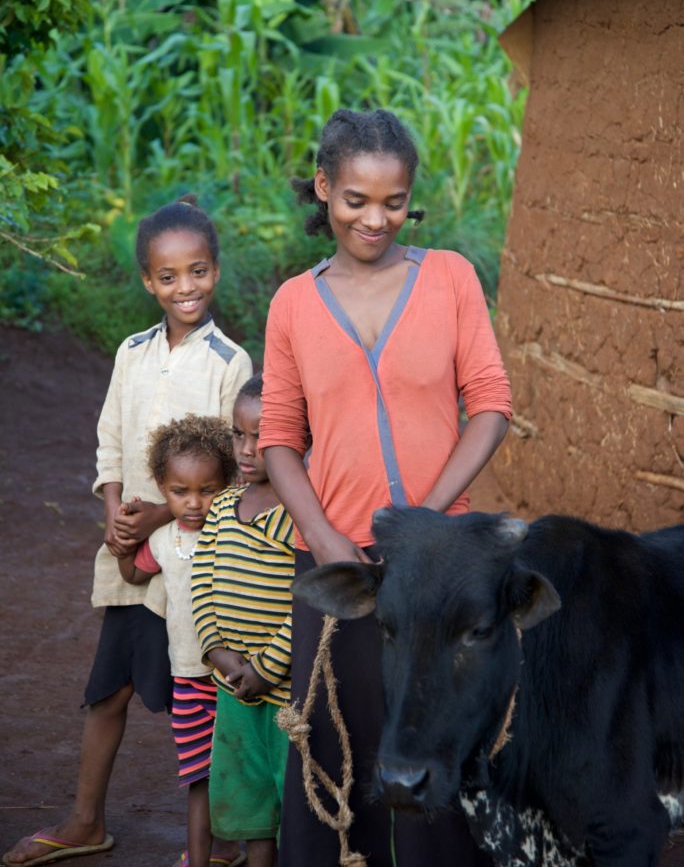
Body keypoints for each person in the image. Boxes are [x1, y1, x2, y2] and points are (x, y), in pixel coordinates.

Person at [259, 108, 513, 867]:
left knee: (438, 744)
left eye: (393, 201)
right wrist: (332, 543)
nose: (375, 219)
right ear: (324, 189)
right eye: (355, 200)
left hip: (443, 566)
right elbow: (278, 438)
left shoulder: (450, 278)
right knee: (339, 746)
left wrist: (424, 526)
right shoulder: (293, 303)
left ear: (410, 198)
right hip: (337, 566)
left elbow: (492, 403)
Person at [2, 197, 251, 867]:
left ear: (216, 272)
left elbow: (235, 465)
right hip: (127, 555)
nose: (185, 287)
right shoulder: (131, 352)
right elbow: (110, 437)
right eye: (168, 276)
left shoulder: (230, 362)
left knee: (204, 692)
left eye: (197, 271)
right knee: (106, 689)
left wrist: (165, 514)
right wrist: (115, 509)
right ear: (148, 281)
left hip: (195, 559)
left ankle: (220, 838)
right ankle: (86, 821)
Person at [118, 413, 246, 867]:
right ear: (161, 486)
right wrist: (121, 545)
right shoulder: (163, 539)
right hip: (189, 679)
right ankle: (200, 857)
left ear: (227, 482)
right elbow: (135, 574)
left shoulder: (233, 531)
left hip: (241, 678)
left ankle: (246, 850)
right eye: (180, 491)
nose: (194, 503)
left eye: (207, 490)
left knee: (247, 770)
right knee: (199, 777)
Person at [191, 373, 294, 867]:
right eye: (238, 434)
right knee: (250, 808)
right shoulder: (224, 506)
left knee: (294, 803)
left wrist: (267, 668)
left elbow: (306, 607)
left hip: (285, 698)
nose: (247, 449)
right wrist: (215, 649)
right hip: (234, 692)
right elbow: (202, 581)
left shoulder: (301, 514)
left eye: (262, 436)